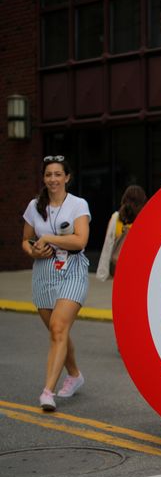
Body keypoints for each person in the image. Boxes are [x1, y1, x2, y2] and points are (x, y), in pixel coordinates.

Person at [21, 155, 91, 412]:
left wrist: (49, 237)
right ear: (44, 178)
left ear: (67, 177)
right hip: (43, 273)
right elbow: (25, 240)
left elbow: (80, 241)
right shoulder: (34, 206)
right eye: (48, 174)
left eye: (58, 174)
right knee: (57, 331)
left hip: (72, 270)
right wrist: (33, 252)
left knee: (59, 328)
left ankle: (47, 391)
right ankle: (74, 375)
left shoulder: (78, 205)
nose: (53, 179)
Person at [96, 185, 147, 281]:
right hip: (138, 266)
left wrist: (103, 270)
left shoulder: (116, 217)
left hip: (119, 266)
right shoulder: (144, 219)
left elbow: (108, 243)